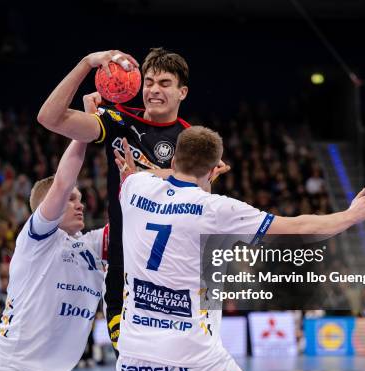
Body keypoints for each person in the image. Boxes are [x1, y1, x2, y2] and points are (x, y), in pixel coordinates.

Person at [112, 127, 365, 371]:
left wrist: (144, 174)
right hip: (193, 357)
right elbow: (300, 227)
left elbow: (145, 178)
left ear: (173, 162)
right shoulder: (218, 209)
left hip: (135, 355)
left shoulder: (135, 188)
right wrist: (350, 215)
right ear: (211, 170)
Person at [37, 48, 229, 354]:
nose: (153, 89)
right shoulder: (117, 121)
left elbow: (200, 202)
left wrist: (154, 173)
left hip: (176, 278)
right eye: (149, 81)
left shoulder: (193, 140)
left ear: (183, 92)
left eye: (165, 83)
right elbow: (50, 118)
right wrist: (86, 62)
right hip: (125, 277)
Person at [0, 139, 107, 371]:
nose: (80, 205)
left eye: (81, 199)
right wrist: (85, 131)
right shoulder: (37, 240)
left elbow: (133, 224)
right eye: (71, 199)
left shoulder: (90, 246)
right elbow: (63, 182)